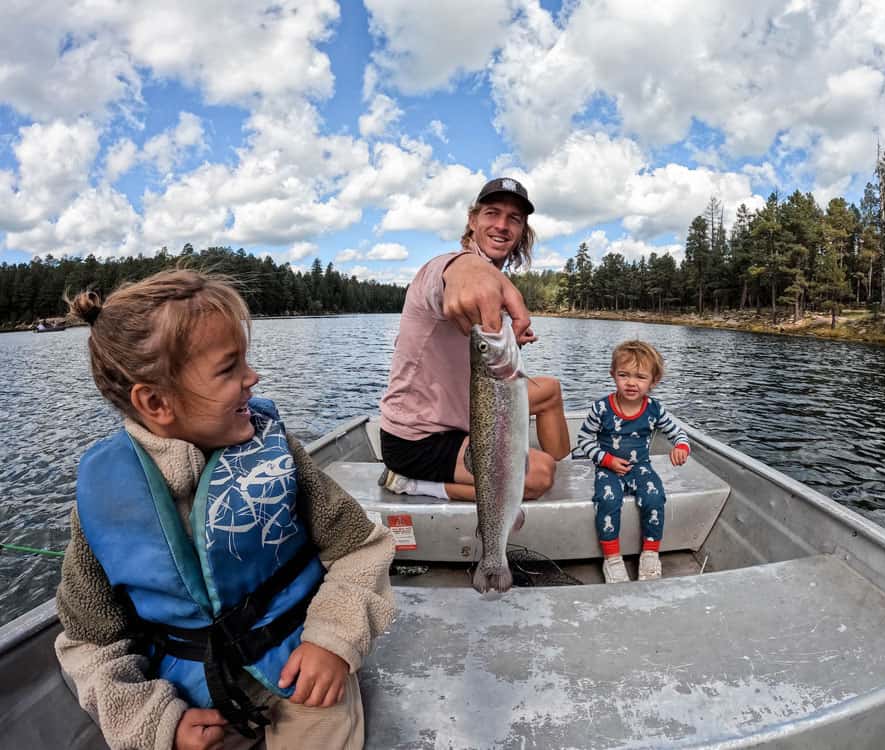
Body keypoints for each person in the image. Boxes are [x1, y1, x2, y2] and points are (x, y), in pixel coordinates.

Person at [56, 269, 396, 750]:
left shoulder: (277, 455)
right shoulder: (104, 502)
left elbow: (361, 548)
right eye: (229, 368)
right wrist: (157, 722)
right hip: (190, 698)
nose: (252, 378)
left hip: (302, 666)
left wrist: (333, 640)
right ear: (155, 402)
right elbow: (88, 641)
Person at [378, 177, 570, 502]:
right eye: (492, 213)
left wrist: (512, 340)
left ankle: (570, 468)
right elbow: (453, 274)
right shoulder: (444, 270)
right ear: (472, 221)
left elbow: (473, 353)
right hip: (418, 437)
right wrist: (467, 267)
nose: (502, 225)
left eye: (514, 219)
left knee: (549, 390)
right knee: (539, 474)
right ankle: (410, 483)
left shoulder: (494, 288)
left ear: (522, 230)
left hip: (462, 413)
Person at [575, 340, 690, 584]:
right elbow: (584, 439)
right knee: (607, 500)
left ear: (653, 381)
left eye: (640, 377)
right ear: (612, 375)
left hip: (640, 468)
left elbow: (678, 433)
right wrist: (605, 459)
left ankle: (650, 554)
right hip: (609, 468)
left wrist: (681, 446)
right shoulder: (601, 408)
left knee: (655, 497)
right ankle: (612, 559)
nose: (631, 382)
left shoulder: (654, 409)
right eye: (623, 375)